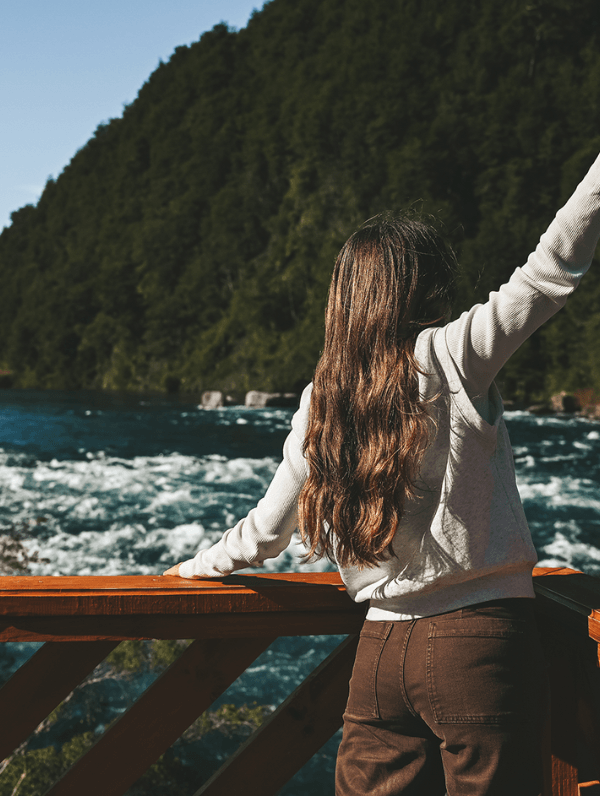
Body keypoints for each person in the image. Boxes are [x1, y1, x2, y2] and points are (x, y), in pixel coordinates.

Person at [165, 151, 600, 795]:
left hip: (378, 656)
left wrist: (189, 574)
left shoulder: (325, 397)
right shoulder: (451, 355)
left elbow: (266, 530)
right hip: (478, 646)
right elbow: (549, 271)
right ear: (421, 291)